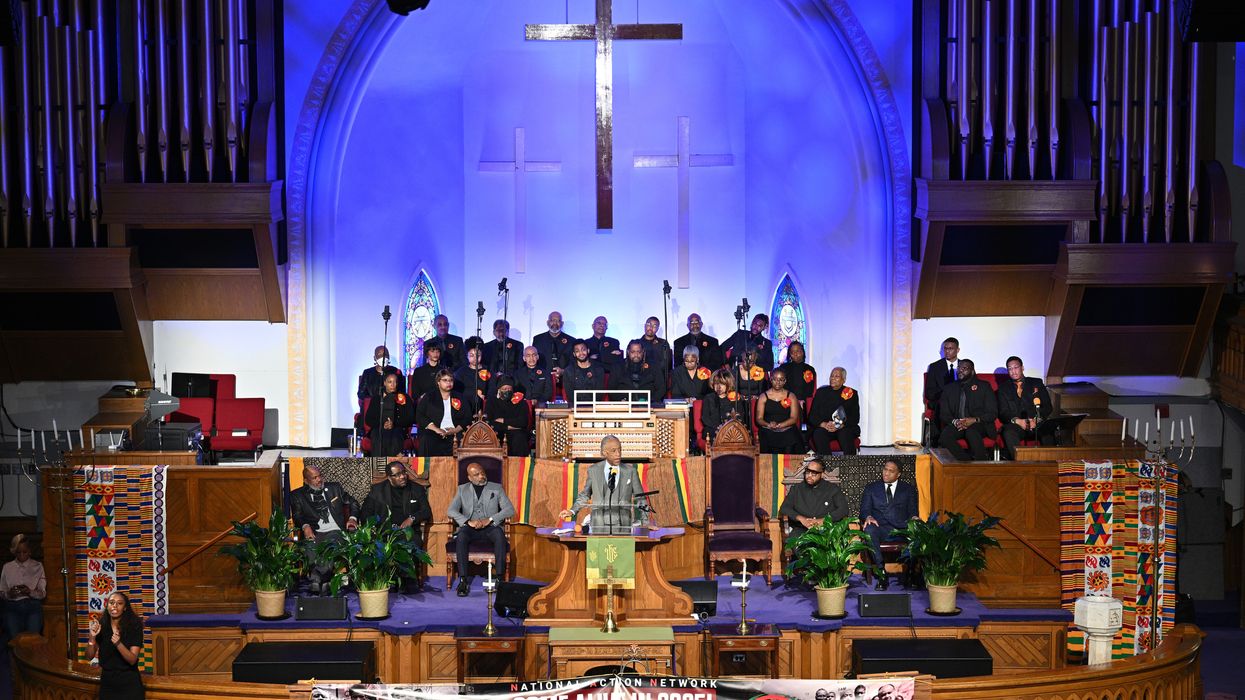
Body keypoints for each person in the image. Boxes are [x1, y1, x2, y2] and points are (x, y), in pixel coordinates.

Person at [361, 461, 432, 592]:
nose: (403, 476)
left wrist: (412, 518)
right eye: (397, 475)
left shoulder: (416, 488)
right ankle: (389, 578)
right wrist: (374, 528)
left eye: (403, 472)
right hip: (385, 531)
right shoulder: (377, 490)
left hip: (408, 531)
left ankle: (408, 580)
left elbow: (426, 511)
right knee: (380, 545)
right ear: (389, 477)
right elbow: (365, 513)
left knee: (411, 542)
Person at [447, 462, 516, 596]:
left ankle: (500, 578)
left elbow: (509, 509)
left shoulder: (496, 488)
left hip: (490, 527)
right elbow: (451, 510)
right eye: (476, 475)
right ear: (469, 477)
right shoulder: (462, 489)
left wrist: (489, 520)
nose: (481, 476)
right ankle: (463, 580)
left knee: (499, 535)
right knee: (461, 537)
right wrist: (468, 522)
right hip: (470, 528)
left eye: (482, 472)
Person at [290, 465, 359, 594]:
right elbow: (297, 515)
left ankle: (316, 579)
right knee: (309, 546)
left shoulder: (335, 488)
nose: (319, 480)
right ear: (306, 481)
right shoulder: (297, 495)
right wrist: (306, 527)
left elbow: (353, 502)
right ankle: (326, 580)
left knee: (330, 546)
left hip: (335, 530)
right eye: (314, 478)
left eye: (320, 476)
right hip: (315, 531)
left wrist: (352, 518)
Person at [559, 435, 643, 530]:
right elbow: (585, 495)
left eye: (620, 450)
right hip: (598, 525)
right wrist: (572, 511)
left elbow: (641, 497)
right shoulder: (593, 470)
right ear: (604, 453)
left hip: (623, 525)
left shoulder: (630, 471)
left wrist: (646, 523)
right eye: (613, 451)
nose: (618, 454)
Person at [859, 460, 918, 590]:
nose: (886, 473)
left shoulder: (908, 490)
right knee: (869, 531)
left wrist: (915, 518)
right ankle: (882, 573)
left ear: (898, 474)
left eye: (891, 471)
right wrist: (868, 517)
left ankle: (911, 574)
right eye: (885, 469)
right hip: (881, 528)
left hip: (902, 528)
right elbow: (864, 510)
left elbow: (913, 512)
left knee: (917, 532)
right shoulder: (871, 488)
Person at [937, 359, 999, 461]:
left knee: (971, 431)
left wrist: (974, 420)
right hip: (958, 424)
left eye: (965, 368)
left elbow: (992, 413)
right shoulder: (949, 389)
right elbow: (944, 414)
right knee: (945, 436)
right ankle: (965, 462)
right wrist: (956, 421)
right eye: (959, 368)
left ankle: (981, 463)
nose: (960, 370)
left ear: (972, 371)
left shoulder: (984, 386)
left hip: (980, 423)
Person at [86, 591, 144, 699]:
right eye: (111, 602)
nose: (114, 606)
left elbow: (132, 660)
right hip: (107, 684)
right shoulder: (101, 626)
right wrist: (92, 637)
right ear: (107, 606)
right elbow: (89, 656)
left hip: (129, 684)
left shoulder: (134, 626)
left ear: (125, 607)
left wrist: (118, 644)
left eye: (119, 603)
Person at [996, 355, 1054, 459]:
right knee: (1008, 432)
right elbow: (1003, 412)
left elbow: (1048, 407)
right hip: (1017, 425)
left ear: (1022, 368)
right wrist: (1018, 421)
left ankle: (1051, 464)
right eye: (1010, 369)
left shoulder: (1036, 383)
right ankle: (1020, 464)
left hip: (1037, 422)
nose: (1013, 371)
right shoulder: (1003, 388)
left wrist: (1036, 420)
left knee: (1048, 430)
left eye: (1016, 367)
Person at [779, 458, 848, 538]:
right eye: (807, 472)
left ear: (821, 474)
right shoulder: (796, 489)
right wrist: (802, 519)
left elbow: (843, 509)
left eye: (814, 474)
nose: (809, 476)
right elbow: (784, 508)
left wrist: (822, 521)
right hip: (802, 529)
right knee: (797, 542)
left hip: (827, 529)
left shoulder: (832, 489)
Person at [416, 369, 471, 457]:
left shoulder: (460, 397)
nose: (449, 383)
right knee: (426, 439)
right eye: (445, 380)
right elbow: (420, 416)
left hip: (455, 432)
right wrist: (436, 429)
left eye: (451, 380)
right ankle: (427, 470)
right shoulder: (429, 397)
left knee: (463, 440)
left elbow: (467, 417)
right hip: (434, 431)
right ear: (438, 382)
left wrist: (455, 430)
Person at [808, 367, 861, 455]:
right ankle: (827, 464)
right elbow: (812, 415)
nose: (833, 378)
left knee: (845, 433)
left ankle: (850, 464)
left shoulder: (851, 393)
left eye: (837, 376)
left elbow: (855, 418)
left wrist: (838, 425)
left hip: (843, 427)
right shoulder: (821, 392)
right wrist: (823, 424)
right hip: (826, 427)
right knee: (818, 433)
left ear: (843, 380)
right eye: (831, 376)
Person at [1, 534, 45, 638]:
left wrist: (29, 591)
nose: (21, 555)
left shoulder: (37, 566)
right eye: (18, 552)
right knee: (14, 640)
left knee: (33, 640)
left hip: (32, 606)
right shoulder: (7, 567)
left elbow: (42, 593)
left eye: (24, 552)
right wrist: (9, 594)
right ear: (14, 552)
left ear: (29, 551)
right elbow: (2, 592)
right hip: (12, 607)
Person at [362, 372, 415, 458]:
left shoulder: (404, 398)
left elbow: (410, 418)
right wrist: (383, 424)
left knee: (395, 437)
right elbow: (369, 419)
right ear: (385, 383)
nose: (393, 384)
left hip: (398, 428)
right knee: (378, 437)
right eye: (390, 382)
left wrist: (394, 424)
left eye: (395, 382)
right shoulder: (377, 399)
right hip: (379, 428)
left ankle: (394, 467)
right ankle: (378, 465)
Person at [757, 368, 804, 454]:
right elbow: (759, 418)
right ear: (771, 380)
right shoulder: (763, 396)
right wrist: (769, 424)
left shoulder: (791, 396)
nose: (778, 382)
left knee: (791, 437)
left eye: (781, 380)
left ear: (785, 381)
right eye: (775, 379)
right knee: (766, 437)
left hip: (787, 428)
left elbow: (794, 418)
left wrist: (780, 425)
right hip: (768, 428)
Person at [483, 376, 532, 457]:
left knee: (520, 438)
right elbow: (488, 422)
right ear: (499, 390)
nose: (507, 391)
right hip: (497, 432)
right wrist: (508, 427)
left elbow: (523, 422)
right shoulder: (492, 401)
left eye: (509, 389)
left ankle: (519, 467)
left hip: (517, 433)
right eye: (504, 389)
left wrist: (503, 420)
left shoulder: (520, 401)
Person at [701, 368, 750, 443]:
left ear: (728, 384)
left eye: (722, 384)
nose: (719, 387)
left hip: (731, 430)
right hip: (713, 430)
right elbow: (705, 418)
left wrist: (728, 428)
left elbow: (740, 417)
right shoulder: (709, 398)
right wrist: (719, 428)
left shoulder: (734, 397)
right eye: (716, 383)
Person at [923, 337, 960, 420]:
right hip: (941, 402)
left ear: (957, 350)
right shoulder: (934, 367)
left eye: (950, 348)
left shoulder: (965, 366)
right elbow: (929, 392)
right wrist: (945, 395)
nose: (947, 351)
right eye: (945, 348)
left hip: (960, 403)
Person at [631, 316, 673, 388]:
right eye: (649, 324)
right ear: (645, 326)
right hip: (640, 378)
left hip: (658, 378)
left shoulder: (663, 343)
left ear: (657, 329)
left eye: (654, 325)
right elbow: (631, 361)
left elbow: (666, 363)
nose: (651, 327)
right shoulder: (637, 343)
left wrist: (653, 371)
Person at [532, 311, 576, 377]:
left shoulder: (571, 341)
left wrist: (564, 372)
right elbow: (533, 360)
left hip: (565, 379)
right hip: (542, 379)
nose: (555, 323)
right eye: (552, 320)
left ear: (562, 323)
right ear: (547, 322)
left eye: (558, 321)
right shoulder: (538, 339)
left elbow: (574, 362)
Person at [453, 346, 490, 417]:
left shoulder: (488, 370)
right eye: (471, 355)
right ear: (467, 356)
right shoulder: (461, 372)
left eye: (478, 355)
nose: (475, 358)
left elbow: (492, 387)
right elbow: (458, 390)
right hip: (467, 403)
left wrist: (484, 395)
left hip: (485, 403)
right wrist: (475, 393)